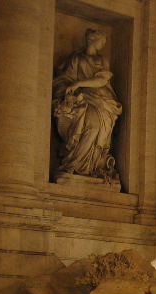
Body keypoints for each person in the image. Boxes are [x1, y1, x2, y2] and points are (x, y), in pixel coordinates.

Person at [52, 29, 122, 184]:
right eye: (101, 40)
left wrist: (79, 83)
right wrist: (69, 91)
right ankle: (76, 164)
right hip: (83, 100)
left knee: (102, 130)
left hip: (102, 100)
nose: (103, 44)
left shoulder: (102, 60)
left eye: (104, 42)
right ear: (92, 40)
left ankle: (95, 166)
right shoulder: (75, 59)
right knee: (91, 126)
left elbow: (102, 80)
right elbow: (64, 79)